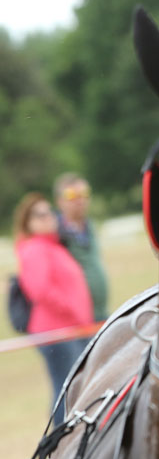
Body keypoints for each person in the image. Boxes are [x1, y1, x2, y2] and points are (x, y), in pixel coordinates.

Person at [13, 193, 94, 425]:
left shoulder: (53, 245)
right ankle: (59, 440)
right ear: (28, 222)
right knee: (67, 388)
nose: (48, 217)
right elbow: (40, 290)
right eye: (40, 214)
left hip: (71, 327)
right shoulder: (34, 249)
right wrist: (71, 309)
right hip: (56, 331)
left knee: (75, 385)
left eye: (49, 212)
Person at [54, 173, 109, 322]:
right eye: (72, 195)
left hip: (100, 312)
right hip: (74, 319)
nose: (80, 200)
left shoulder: (89, 225)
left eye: (84, 193)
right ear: (59, 201)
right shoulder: (55, 232)